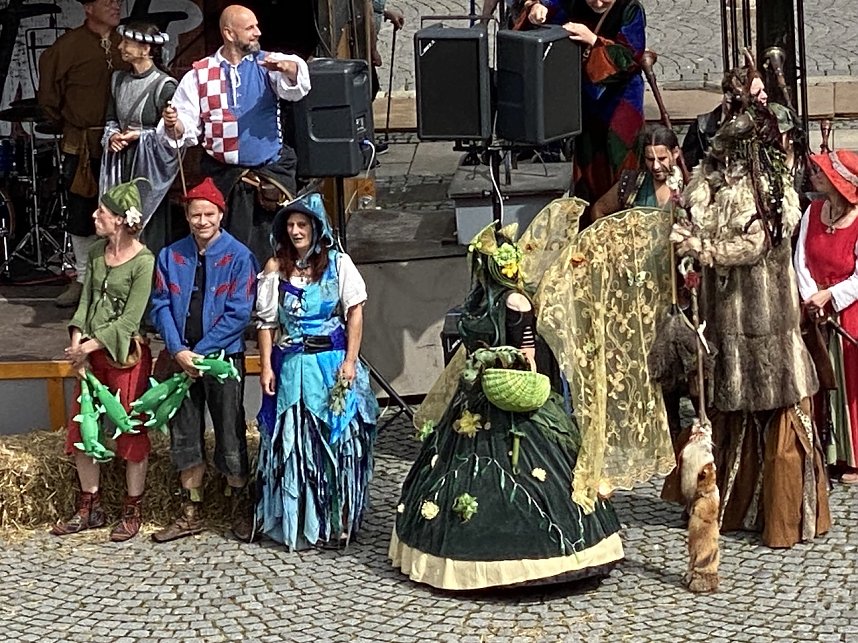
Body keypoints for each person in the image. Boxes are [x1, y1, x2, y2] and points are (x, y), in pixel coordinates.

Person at [389, 223, 623, 590]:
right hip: (475, 394)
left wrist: (511, 369)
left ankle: (551, 553)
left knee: (531, 467)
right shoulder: (479, 300)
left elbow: (527, 354)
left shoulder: (516, 302)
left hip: (509, 389)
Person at [670, 65, 830, 548]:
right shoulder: (708, 181)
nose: (722, 160)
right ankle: (734, 506)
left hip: (766, 321)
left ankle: (785, 515)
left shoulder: (770, 187)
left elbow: (755, 243)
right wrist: (685, 231)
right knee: (730, 413)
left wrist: (703, 248)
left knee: (780, 418)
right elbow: (693, 217)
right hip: (724, 320)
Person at [254, 194, 378, 549]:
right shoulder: (276, 268)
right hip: (293, 367)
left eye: (302, 225)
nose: (296, 231)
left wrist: (350, 361)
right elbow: (266, 323)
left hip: (330, 364)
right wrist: (266, 366)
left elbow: (355, 311)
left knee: (338, 440)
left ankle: (337, 519)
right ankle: (302, 520)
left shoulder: (338, 264)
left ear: (316, 228)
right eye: (290, 225)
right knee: (295, 442)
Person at [149, 178, 259, 543]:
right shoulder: (170, 255)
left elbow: (239, 312)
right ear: (187, 215)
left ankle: (239, 505)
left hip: (222, 357)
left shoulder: (239, 256)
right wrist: (178, 350)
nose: (202, 221)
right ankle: (190, 510)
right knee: (184, 435)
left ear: (220, 214)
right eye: (196, 215)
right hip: (181, 358)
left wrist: (203, 351)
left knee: (230, 431)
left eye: (209, 214)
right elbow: (160, 305)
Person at [158, 4, 310, 264]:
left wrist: (289, 68)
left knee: (270, 253)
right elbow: (184, 124)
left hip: (267, 179)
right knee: (226, 253)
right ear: (229, 33)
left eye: (256, 26)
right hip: (224, 180)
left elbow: (297, 84)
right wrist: (174, 124)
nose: (258, 32)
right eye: (250, 28)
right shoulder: (200, 74)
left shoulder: (268, 64)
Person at [51, 180, 155, 542]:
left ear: (121, 220)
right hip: (90, 355)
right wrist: (76, 346)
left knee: (130, 428)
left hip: (125, 358)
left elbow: (129, 320)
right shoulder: (97, 253)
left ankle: (132, 508)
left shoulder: (144, 261)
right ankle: (89, 506)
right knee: (83, 426)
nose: (95, 216)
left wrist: (89, 347)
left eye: (103, 211)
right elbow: (85, 303)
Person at [38, 0, 128, 308]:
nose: (116, 5)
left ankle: (119, 281)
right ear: (88, 7)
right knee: (81, 212)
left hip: (123, 145)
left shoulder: (128, 43)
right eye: (108, 1)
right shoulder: (66, 47)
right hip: (82, 144)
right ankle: (82, 279)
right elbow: (48, 99)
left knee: (123, 211)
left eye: (118, 1)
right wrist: (74, 126)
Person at [527, 0, 646, 214]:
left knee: (622, 162)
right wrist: (537, 8)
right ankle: (589, 219)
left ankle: (625, 218)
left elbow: (630, 58)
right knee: (589, 167)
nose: (597, 3)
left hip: (622, 101)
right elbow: (547, 9)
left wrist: (593, 40)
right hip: (587, 101)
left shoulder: (629, 8)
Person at [794, 150, 858, 485]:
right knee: (818, 379)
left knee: (850, 383)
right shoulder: (813, 211)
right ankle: (825, 451)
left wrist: (830, 296)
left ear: (839, 182)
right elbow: (801, 259)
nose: (814, 176)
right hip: (814, 312)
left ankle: (853, 457)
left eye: (822, 172)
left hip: (849, 313)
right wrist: (810, 297)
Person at [100, 21, 178, 260]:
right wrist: (112, 136)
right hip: (121, 162)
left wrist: (140, 136)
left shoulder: (164, 85)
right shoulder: (118, 80)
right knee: (119, 217)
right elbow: (111, 118)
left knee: (148, 226)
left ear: (146, 49)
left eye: (127, 43)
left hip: (149, 168)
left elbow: (169, 135)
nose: (120, 47)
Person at [681, 70, 768, 172]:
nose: (765, 96)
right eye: (757, 94)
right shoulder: (701, 129)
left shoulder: (768, 126)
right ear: (730, 99)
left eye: (763, 90)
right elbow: (689, 168)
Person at [591, 123, 682, 219]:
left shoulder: (688, 187)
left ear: (675, 153)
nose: (656, 166)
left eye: (662, 159)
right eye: (650, 159)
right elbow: (598, 210)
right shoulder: (632, 182)